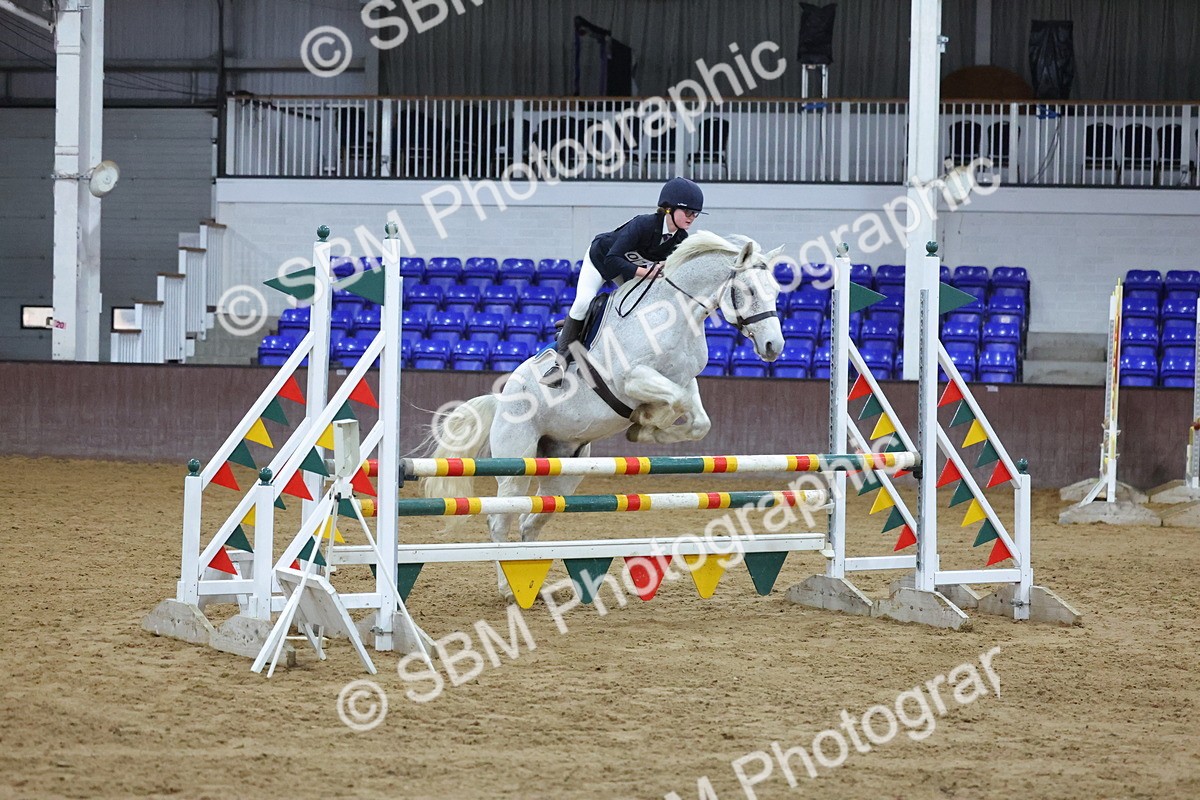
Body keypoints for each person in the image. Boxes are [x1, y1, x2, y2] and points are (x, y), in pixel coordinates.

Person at [540, 176, 705, 385]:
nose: (692, 217)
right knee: (583, 302)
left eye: (695, 213)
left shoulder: (680, 239)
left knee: (634, 310)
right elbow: (612, 259)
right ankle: (559, 364)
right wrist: (645, 272)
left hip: (627, 269)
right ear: (669, 209)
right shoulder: (643, 224)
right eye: (688, 211)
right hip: (600, 259)